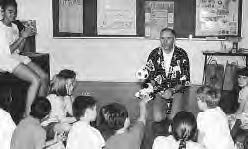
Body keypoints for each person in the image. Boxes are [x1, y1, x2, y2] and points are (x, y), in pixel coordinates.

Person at [0, 0, 49, 116]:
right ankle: (27, 115)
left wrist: (25, 36)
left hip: (16, 56)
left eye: (15, 12)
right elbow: (8, 51)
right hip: (4, 59)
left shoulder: (15, 27)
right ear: (2, 11)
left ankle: (40, 111)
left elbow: (19, 50)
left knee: (45, 77)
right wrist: (22, 37)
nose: (13, 15)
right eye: (10, 12)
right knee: (35, 80)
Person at [144, 27, 190, 121]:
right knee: (157, 118)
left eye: (168, 38)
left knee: (173, 118)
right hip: (160, 91)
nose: (165, 42)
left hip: (176, 91)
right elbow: (150, 77)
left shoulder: (182, 54)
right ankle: (166, 105)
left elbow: (185, 80)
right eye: (162, 38)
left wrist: (172, 91)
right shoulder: (154, 54)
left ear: (174, 39)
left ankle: (173, 106)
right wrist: (160, 91)